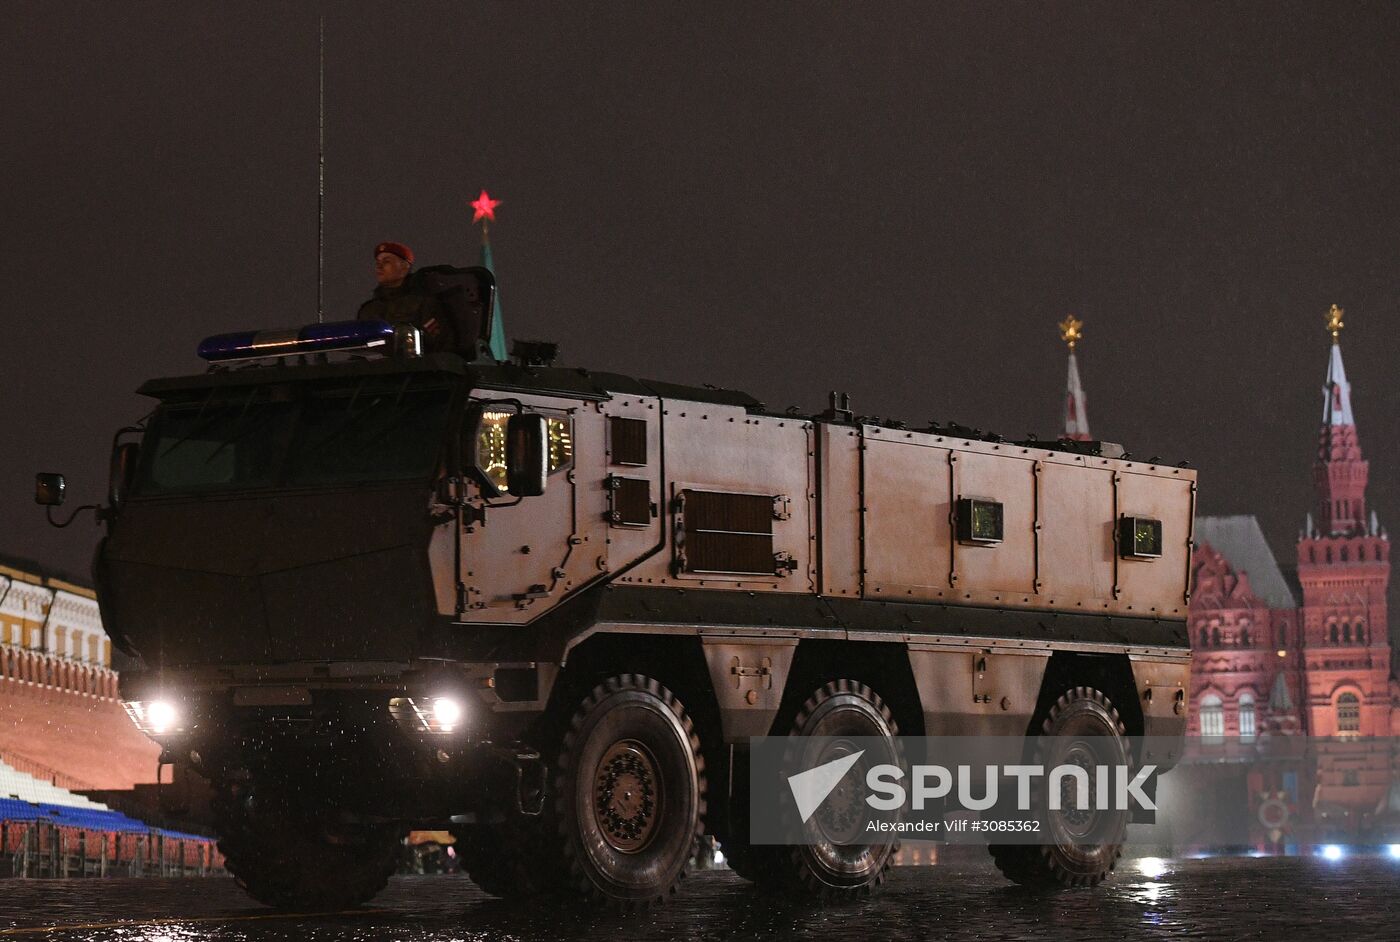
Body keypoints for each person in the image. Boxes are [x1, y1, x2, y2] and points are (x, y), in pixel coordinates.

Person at [356, 241, 456, 353]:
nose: (379, 266)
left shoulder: (423, 303)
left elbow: (440, 345)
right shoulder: (368, 310)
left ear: (404, 267)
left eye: (387, 261)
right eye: (378, 262)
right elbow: (360, 347)